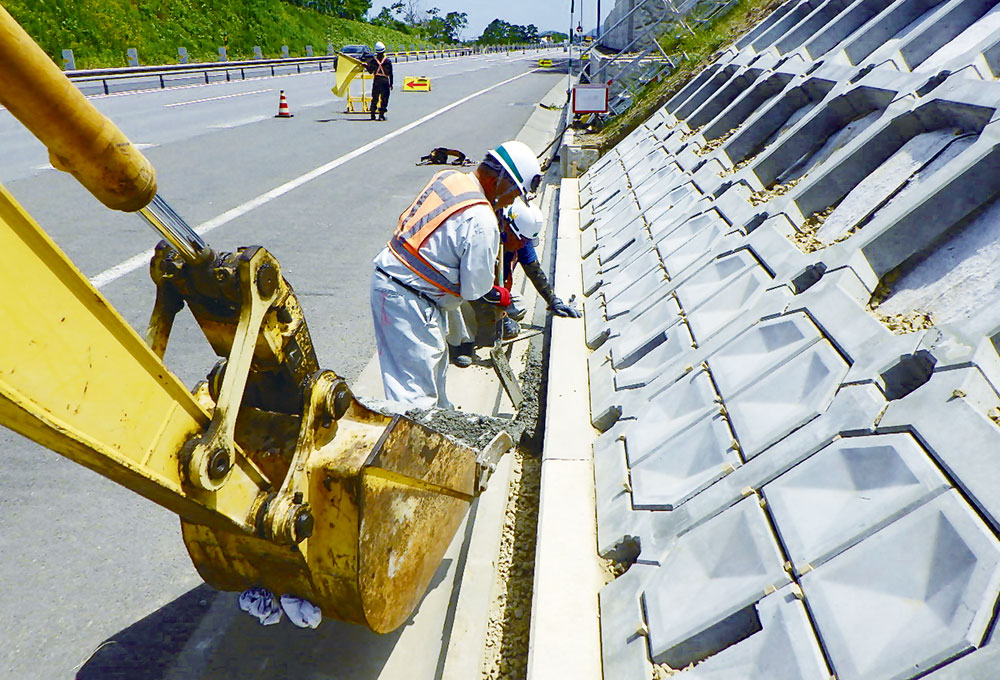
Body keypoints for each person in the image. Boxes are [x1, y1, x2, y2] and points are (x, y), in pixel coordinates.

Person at [370, 140, 543, 408]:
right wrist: (497, 296)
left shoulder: (449, 177)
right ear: (502, 180)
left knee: (434, 376)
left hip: (400, 286)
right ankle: (410, 445)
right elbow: (475, 289)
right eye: (514, 193)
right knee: (414, 397)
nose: (511, 201)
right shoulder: (482, 219)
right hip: (408, 299)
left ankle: (444, 426)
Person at [450, 197, 581, 368]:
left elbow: (534, 269)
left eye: (525, 242)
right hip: (465, 286)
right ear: (507, 228)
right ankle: (461, 344)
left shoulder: (521, 240)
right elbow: (472, 282)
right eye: (521, 241)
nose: (522, 245)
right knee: (460, 304)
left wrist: (553, 299)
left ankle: (484, 324)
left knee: (520, 306)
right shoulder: (484, 238)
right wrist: (500, 314)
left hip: (494, 289)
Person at [366, 42, 393, 121]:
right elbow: (390, 73)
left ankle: (372, 114)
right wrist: (391, 84)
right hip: (385, 81)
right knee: (384, 98)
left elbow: (370, 71)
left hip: (377, 81)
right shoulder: (387, 61)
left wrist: (366, 66)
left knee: (375, 98)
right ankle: (381, 115)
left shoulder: (373, 61)